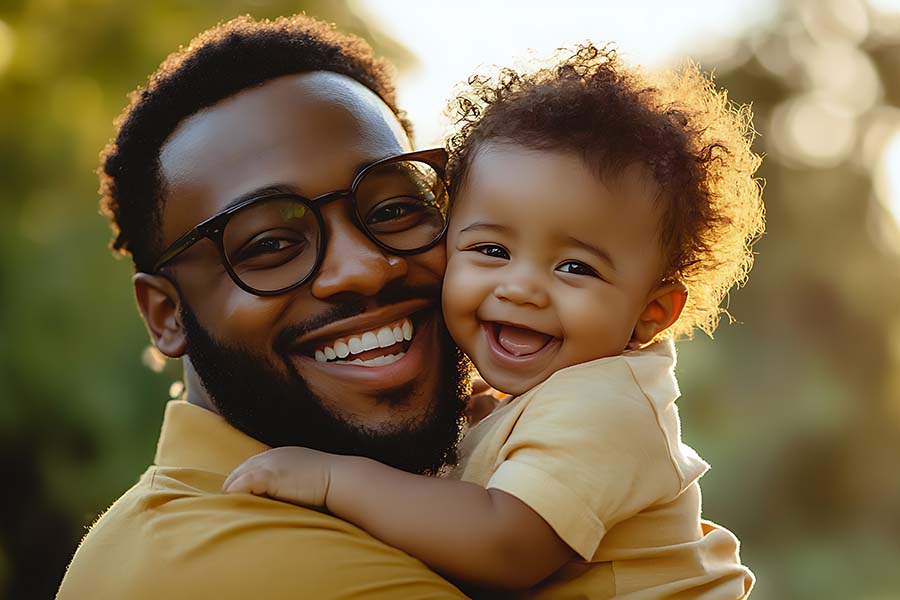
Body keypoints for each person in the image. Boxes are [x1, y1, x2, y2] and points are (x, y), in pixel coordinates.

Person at [223, 44, 763, 597]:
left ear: (650, 313)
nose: (521, 288)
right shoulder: (541, 398)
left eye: (574, 267)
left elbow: (507, 547)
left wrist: (333, 479)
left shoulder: (607, 406)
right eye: (491, 250)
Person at [56, 14, 476, 599]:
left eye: (393, 210)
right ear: (165, 314)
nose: (363, 267)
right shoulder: (244, 564)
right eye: (271, 245)